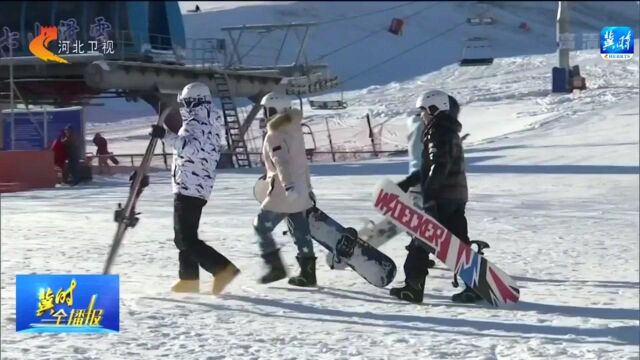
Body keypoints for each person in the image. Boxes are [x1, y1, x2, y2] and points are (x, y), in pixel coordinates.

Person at [392, 89, 483, 304]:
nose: (422, 115)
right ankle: (474, 286)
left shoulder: (436, 131)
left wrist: (429, 197)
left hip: (440, 196)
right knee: (459, 243)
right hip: (457, 195)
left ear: (434, 109)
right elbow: (433, 165)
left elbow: (437, 167)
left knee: (420, 240)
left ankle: (413, 287)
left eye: (424, 110)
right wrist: (409, 182)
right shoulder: (450, 130)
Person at [150, 82, 240, 295]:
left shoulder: (197, 123)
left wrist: (165, 136)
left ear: (192, 101)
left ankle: (222, 269)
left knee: (185, 238)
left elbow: (191, 149)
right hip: (195, 185)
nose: (184, 106)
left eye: (185, 102)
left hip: (190, 186)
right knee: (185, 236)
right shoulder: (208, 121)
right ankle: (188, 279)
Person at [254, 91, 317, 287]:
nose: (264, 114)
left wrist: (288, 186)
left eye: (267, 110)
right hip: (300, 190)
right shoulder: (295, 129)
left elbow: (282, 163)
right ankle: (308, 273)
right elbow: (301, 164)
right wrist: (307, 188)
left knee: (261, 226)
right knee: (299, 230)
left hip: (283, 192)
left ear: (275, 109)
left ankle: (275, 267)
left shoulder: (275, 134)